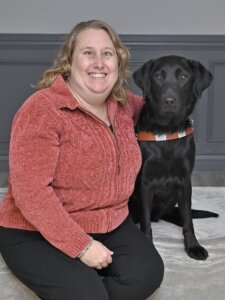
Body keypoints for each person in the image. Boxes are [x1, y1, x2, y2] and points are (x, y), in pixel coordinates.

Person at [0, 20, 164, 300]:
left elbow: (159, 108)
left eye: (107, 54)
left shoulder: (123, 104)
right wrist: (82, 247)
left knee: (148, 273)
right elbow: (31, 194)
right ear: (69, 62)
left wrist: (182, 114)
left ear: (118, 63)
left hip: (109, 220)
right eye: (88, 53)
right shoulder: (42, 110)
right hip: (35, 230)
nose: (98, 63)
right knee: (87, 294)